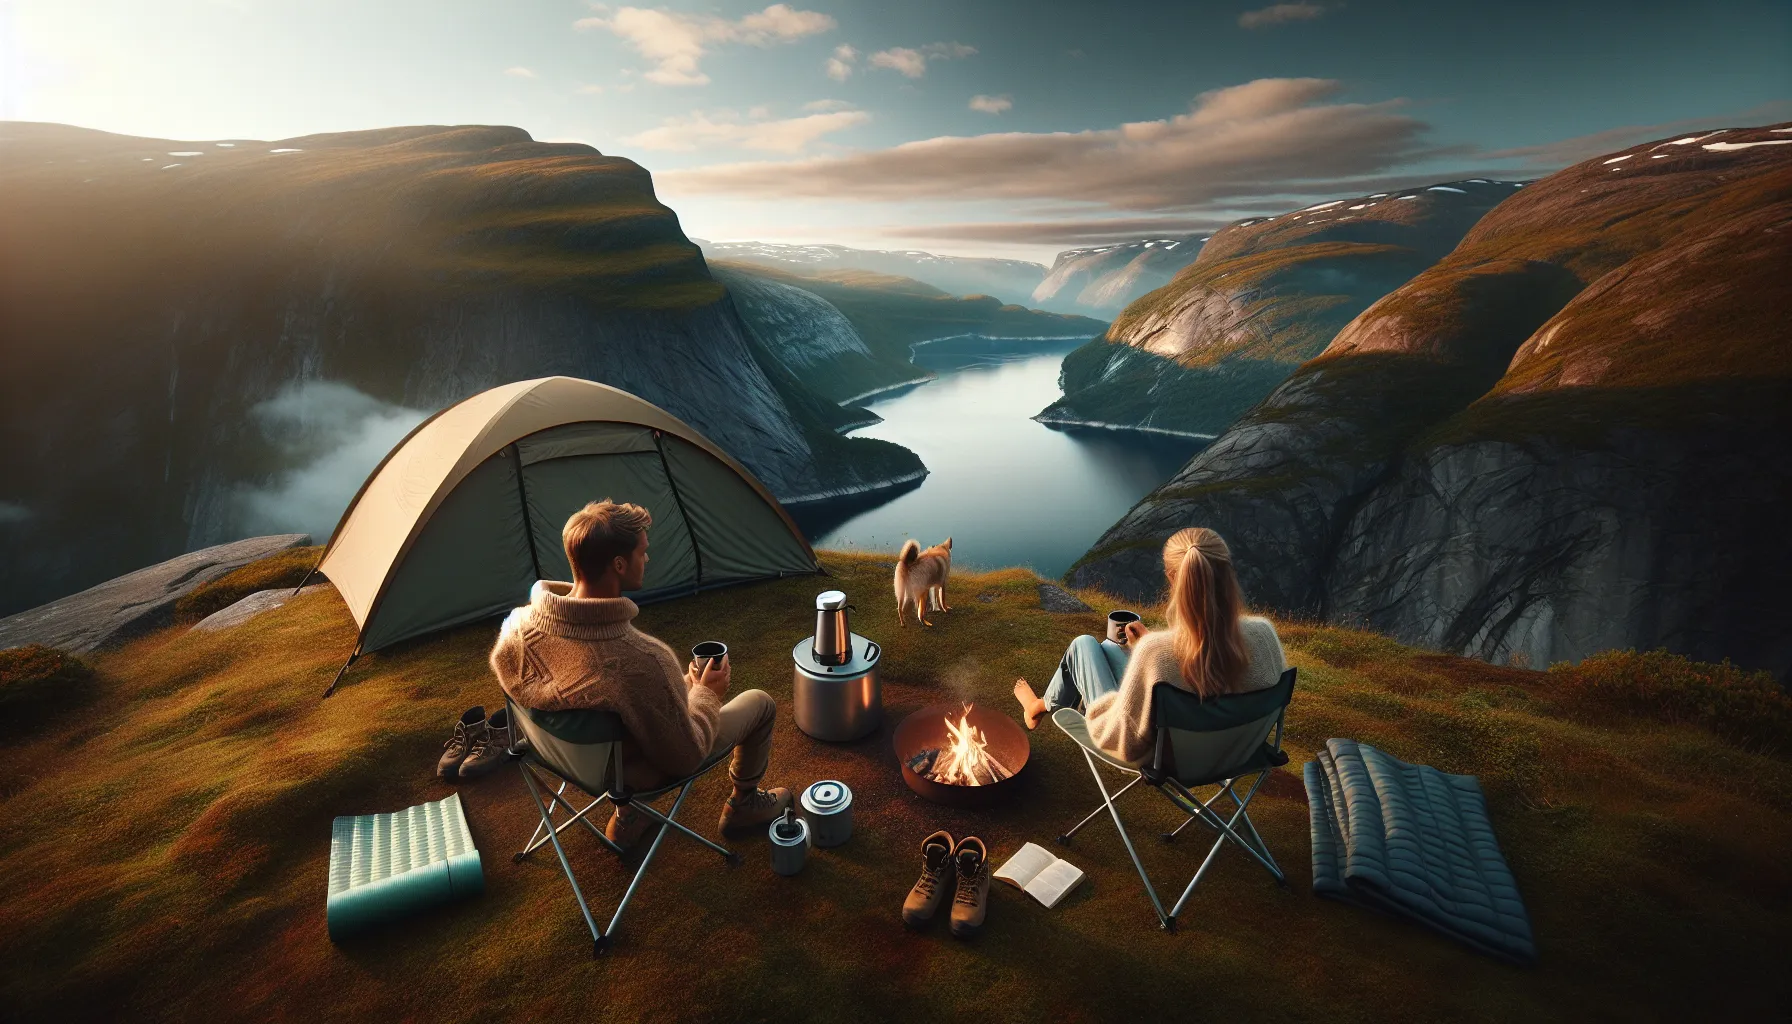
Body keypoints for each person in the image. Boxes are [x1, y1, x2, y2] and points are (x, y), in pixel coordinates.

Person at [489, 499, 791, 849]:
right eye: (642, 552)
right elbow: (686, 755)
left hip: (563, 757)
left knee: (665, 692)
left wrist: (689, 686)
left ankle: (628, 817)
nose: (647, 559)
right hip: (624, 772)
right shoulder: (642, 660)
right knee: (761, 703)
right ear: (619, 564)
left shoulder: (517, 630)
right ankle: (744, 805)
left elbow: (602, 695)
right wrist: (707, 694)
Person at [1012, 527, 1286, 765]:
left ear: (1172, 578)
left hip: (1163, 758)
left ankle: (1037, 707)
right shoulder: (1265, 635)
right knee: (1106, 649)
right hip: (1236, 751)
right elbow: (1211, 674)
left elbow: (1125, 739)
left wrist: (1107, 700)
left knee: (1083, 645)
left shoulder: (1157, 652)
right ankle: (1040, 704)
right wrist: (1147, 648)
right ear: (1228, 573)